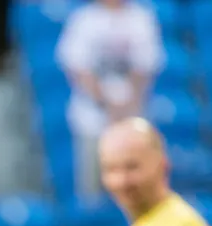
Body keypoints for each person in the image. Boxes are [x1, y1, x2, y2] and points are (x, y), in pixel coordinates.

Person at [55, 0, 165, 202]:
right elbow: (78, 69)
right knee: (93, 191)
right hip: (91, 120)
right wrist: (108, 105)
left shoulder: (141, 17)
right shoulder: (84, 19)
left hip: (133, 121)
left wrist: (127, 106)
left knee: (137, 188)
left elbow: (146, 66)